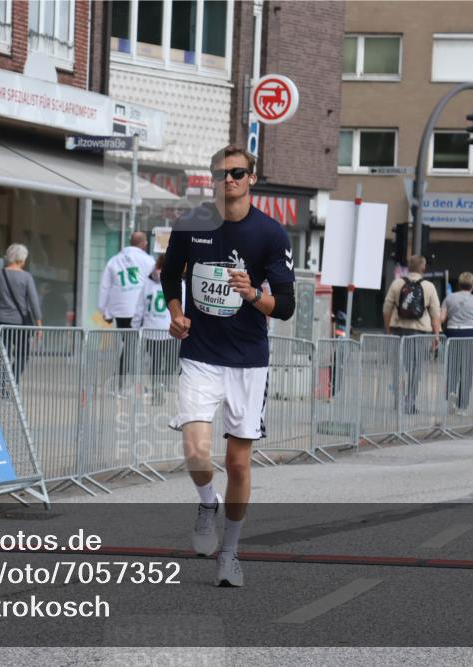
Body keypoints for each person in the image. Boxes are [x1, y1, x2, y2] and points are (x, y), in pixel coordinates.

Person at [162, 145, 296, 587]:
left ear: (252, 178)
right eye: (221, 174)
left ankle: (230, 552)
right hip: (200, 353)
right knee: (196, 451)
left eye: (237, 173)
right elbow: (169, 273)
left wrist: (253, 295)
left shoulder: (271, 234)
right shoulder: (193, 223)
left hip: (247, 362)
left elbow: (286, 307)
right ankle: (206, 502)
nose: (229, 180)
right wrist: (176, 312)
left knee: (238, 465)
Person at [382, 254, 442, 414]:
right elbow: (436, 314)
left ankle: (398, 401)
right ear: (423, 268)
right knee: (416, 368)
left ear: (408, 267)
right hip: (420, 333)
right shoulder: (429, 286)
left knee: (398, 366)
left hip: (398, 331)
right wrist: (436, 336)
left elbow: (386, 309)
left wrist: (388, 330)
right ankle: (411, 402)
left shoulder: (397, 283)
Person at [98, 230, 155, 392]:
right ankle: (125, 383)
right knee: (134, 347)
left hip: (120, 310)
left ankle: (125, 382)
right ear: (144, 244)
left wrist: (105, 312)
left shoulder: (114, 261)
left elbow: (105, 286)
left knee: (129, 345)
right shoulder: (147, 260)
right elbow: (156, 284)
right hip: (139, 310)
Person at [0, 243, 42, 382]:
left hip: (0, 322)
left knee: (1, 356)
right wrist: (39, 324)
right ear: (21, 259)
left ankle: (1, 388)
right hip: (19, 324)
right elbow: (34, 302)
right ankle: (12, 381)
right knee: (22, 354)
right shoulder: (27, 277)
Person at [132, 254, 177, 405]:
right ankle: (161, 386)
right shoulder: (177, 283)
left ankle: (157, 390)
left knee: (155, 364)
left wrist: (135, 327)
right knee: (172, 364)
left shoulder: (147, 284)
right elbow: (184, 307)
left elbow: (139, 308)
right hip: (171, 331)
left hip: (151, 331)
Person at [441, 272, 473, 412]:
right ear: (472, 285)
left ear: (459, 284)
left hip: (452, 333)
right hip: (468, 334)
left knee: (452, 367)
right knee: (466, 370)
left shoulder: (449, 298)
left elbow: (441, 318)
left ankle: (451, 396)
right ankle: (462, 405)